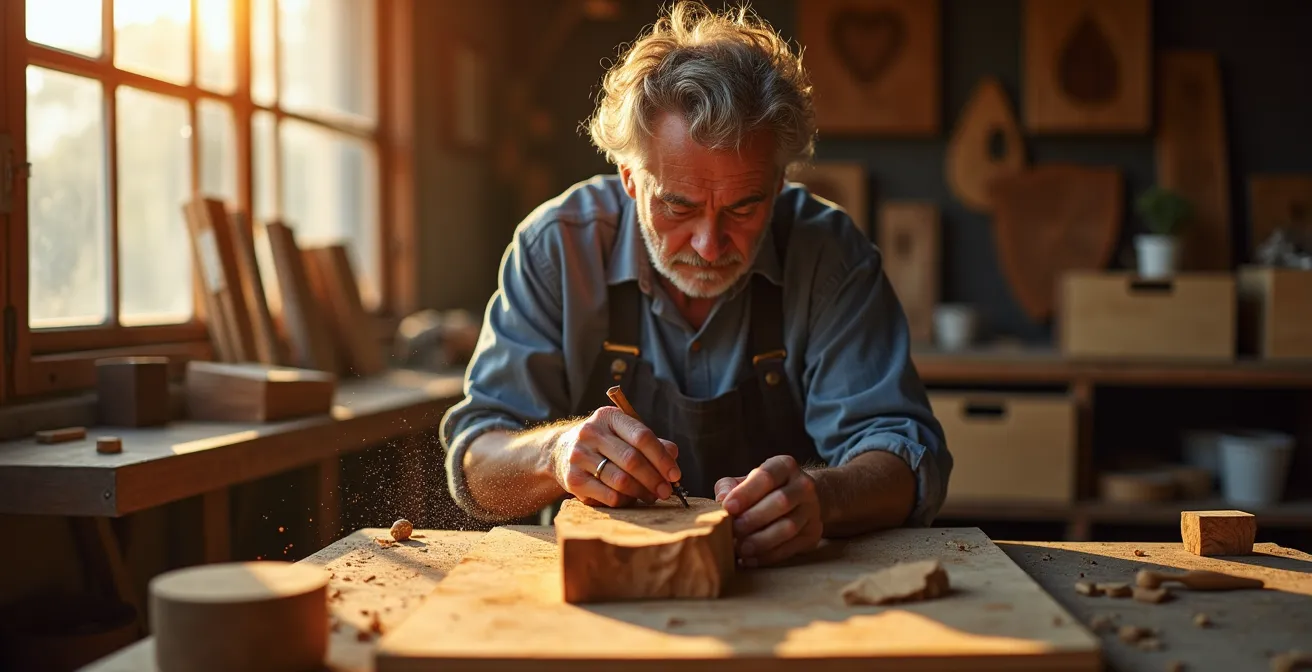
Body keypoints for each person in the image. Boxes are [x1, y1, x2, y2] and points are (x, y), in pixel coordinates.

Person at [439, 1, 951, 567]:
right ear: (630, 179)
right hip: (604, 580)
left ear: (779, 182)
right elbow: (477, 468)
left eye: (744, 207)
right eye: (678, 207)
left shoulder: (829, 254)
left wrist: (823, 498)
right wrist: (555, 453)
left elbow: (907, 459)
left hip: (793, 581)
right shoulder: (557, 249)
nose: (709, 246)